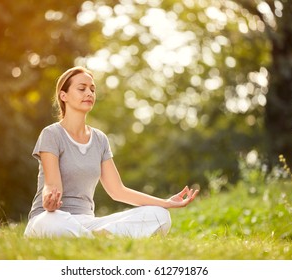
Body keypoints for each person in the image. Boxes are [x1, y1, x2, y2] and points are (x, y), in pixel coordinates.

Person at [24, 66, 198, 238]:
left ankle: (90, 237)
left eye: (92, 89)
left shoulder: (99, 139)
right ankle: (98, 238)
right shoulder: (52, 134)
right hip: (51, 218)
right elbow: (52, 185)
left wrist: (166, 203)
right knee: (52, 222)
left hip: (87, 222)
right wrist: (50, 200)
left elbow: (118, 191)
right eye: (82, 88)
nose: (89, 93)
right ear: (64, 96)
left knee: (159, 215)